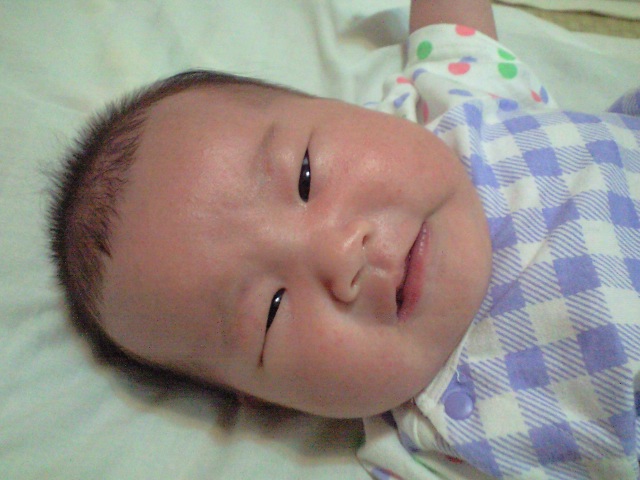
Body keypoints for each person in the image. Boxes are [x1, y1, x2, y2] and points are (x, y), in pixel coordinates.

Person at [49, 0, 640, 478]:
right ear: (275, 402)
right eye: (271, 310)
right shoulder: (436, 451)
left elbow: (450, 20)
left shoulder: (455, 101)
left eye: (305, 177)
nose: (339, 256)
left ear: (346, 109)